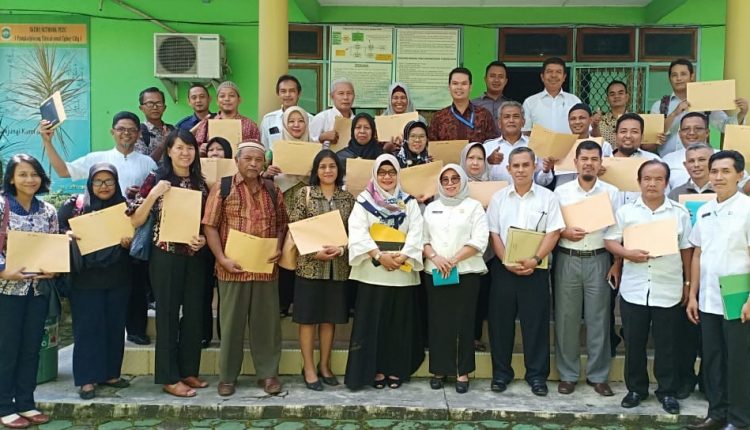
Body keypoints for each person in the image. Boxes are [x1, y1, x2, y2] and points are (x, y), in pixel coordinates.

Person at [39, 112, 157, 346]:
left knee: (135, 284)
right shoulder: (98, 158)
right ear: (112, 131)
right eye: (121, 129)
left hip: (129, 232)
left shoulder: (148, 163)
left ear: (138, 134)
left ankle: (135, 330)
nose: (126, 133)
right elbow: (63, 170)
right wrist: (47, 142)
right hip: (96, 236)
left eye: (131, 130)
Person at [604, 160, 693, 415]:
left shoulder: (679, 213)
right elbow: (610, 240)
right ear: (639, 181)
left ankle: (667, 391)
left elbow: (687, 250)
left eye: (658, 179)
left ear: (666, 182)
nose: (652, 184)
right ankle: (636, 389)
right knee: (634, 343)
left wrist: (687, 283)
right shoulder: (626, 212)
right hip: (634, 289)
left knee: (667, 344)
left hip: (668, 287)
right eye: (647, 179)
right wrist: (627, 253)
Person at [128, 129, 209, 398]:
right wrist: (154, 194)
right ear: (169, 151)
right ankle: (168, 376)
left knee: (194, 313)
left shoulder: (200, 183)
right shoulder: (156, 179)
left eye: (190, 148)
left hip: (194, 256)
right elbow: (136, 219)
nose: (185, 153)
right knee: (168, 314)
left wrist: (202, 240)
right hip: (165, 255)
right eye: (179, 148)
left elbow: (206, 223)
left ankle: (188, 370)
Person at [202, 141, 288, 397]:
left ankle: (268, 374)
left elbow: (282, 225)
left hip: (264, 269)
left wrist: (279, 247)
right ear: (237, 160)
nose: (253, 164)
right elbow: (209, 226)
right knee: (231, 325)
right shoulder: (223, 188)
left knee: (267, 325)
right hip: (232, 269)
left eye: (258, 160)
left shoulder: (272, 190)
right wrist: (221, 258)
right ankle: (227, 377)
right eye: (248, 158)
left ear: (264, 164)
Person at [486, 147, 564, 396]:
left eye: (525, 165)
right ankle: (501, 373)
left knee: (536, 323)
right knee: (500, 324)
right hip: (504, 269)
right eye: (516, 166)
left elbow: (554, 232)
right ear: (508, 169)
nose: (520, 170)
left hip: (536, 268)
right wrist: (505, 261)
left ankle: (537, 376)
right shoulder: (498, 198)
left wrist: (535, 259)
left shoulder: (548, 198)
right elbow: (494, 233)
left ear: (534, 167)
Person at [345, 154, 425, 390]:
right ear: (375, 175)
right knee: (373, 325)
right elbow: (357, 231)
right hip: (372, 272)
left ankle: (395, 368)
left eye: (391, 172)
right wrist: (379, 256)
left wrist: (403, 256)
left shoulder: (409, 202)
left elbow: (417, 231)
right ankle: (375, 369)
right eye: (382, 172)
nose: (387, 177)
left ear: (398, 174)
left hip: (401, 271)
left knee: (397, 325)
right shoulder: (363, 201)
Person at [686, 150, 750, 430]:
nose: (719, 177)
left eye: (726, 171)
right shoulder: (705, 210)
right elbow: (698, 254)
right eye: (715, 171)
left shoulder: (747, 209)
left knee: (738, 359)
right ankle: (717, 413)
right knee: (712, 358)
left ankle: (739, 419)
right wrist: (692, 295)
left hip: (738, 294)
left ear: (740, 175)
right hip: (709, 296)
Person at [57, 164, 132, 400]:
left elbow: (139, 237)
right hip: (85, 280)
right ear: (90, 183)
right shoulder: (75, 206)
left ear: (116, 183)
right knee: (87, 329)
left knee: (114, 326)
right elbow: (55, 230)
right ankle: (87, 379)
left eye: (109, 181)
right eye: (98, 181)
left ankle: (111, 374)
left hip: (118, 277)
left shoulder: (125, 208)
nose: (104, 186)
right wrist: (67, 235)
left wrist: (129, 242)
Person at [553, 140, 619, 397]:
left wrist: (616, 262)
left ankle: (598, 375)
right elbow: (553, 225)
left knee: (599, 318)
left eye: (594, 159)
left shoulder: (611, 192)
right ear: (576, 162)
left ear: (601, 163)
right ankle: (568, 375)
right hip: (568, 257)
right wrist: (564, 232)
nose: (589, 163)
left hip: (599, 258)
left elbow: (617, 230)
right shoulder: (562, 192)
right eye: (584, 159)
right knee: (566, 318)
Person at [288, 150, 355, 391]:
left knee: (329, 320)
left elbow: (355, 232)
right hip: (310, 268)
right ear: (316, 170)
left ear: (339, 170)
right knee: (308, 320)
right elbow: (295, 228)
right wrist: (313, 252)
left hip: (337, 268)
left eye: (332, 166)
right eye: (323, 166)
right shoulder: (305, 194)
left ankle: (324, 365)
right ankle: (308, 368)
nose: (328, 170)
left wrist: (342, 249)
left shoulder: (347, 198)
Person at [0, 154, 57, 429]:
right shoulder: (1, 206)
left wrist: (54, 267)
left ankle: (25, 401)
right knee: (6, 348)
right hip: (6, 291)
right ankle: (4, 405)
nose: (29, 179)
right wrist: (3, 270)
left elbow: (53, 244)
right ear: (11, 178)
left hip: (37, 291)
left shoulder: (48, 210)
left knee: (31, 348)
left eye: (34, 174)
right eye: (22, 174)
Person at [423, 164, 488, 394]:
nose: (450, 184)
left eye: (455, 179)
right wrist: (435, 257)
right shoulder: (431, 208)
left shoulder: (474, 207)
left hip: (465, 273)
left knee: (463, 323)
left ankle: (462, 371)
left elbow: (480, 239)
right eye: (445, 180)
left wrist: (453, 260)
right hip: (436, 272)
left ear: (462, 181)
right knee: (438, 322)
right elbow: (422, 238)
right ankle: (439, 370)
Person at [263, 105, 314, 319]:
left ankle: (301, 303)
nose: (296, 125)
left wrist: (314, 173)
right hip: (282, 202)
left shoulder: (315, 148)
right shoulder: (273, 150)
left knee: (304, 252)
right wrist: (268, 171)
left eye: (300, 121)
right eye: (291, 121)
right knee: (284, 250)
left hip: (307, 204)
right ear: (284, 124)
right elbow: (260, 175)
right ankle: (282, 303)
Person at [649, 58, 747, 157]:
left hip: (699, 160)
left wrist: (742, 113)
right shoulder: (660, 105)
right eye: (674, 75)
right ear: (670, 78)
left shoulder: (704, 102)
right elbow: (651, 137)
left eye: (683, 74)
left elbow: (725, 126)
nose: (678, 78)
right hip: (666, 160)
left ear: (692, 76)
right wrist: (675, 113)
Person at [458, 142, 492, 353]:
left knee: (479, 296)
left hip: (485, 253)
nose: (475, 163)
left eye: (480, 158)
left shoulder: (494, 188)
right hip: (456, 251)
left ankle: (475, 336)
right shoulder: (452, 184)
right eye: (470, 158)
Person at [200, 137, 233, 347]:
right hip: (203, 239)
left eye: (219, 149)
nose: (214, 153)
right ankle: (203, 333)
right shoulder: (197, 175)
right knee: (203, 289)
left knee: (225, 293)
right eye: (211, 149)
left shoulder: (235, 177)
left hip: (228, 240)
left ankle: (224, 335)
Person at [540, 103, 614, 188]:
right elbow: (542, 182)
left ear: (590, 120)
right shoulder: (558, 145)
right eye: (573, 119)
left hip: (594, 193)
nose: (577, 122)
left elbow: (612, 175)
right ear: (568, 122)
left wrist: (602, 170)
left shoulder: (603, 146)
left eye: (582, 118)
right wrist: (548, 169)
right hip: (564, 193)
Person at [483, 101, 550, 186]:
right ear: (499, 123)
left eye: (516, 116)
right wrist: (488, 162)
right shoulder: (487, 147)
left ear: (523, 122)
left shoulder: (535, 146)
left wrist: (546, 170)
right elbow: (477, 178)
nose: (511, 120)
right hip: (497, 194)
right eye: (507, 117)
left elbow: (542, 182)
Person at [428, 67, 498, 143]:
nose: (459, 87)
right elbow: (432, 146)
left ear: (470, 87)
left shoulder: (484, 115)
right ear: (449, 87)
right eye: (455, 83)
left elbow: (492, 145)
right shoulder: (439, 117)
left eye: (464, 84)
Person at [610, 113, 663, 206]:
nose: (628, 136)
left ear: (642, 137)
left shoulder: (653, 161)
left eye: (634, 132)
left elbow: (663, 195)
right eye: (623, 131)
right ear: (615, 135)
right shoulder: (602, 162)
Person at [522, 57, 582, 134]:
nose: (553, 75)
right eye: (549, 71)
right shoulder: (530, 102)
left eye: (558, 72)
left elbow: (584, 129)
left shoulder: (575, 101)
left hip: (570, 142)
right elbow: (525, 131)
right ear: (542, 77)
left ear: (564, 77)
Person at [193, 81, 260, 145]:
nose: (227, 99)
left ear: (239, 100)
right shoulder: (207, 123)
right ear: (217, 101)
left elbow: (258, 150)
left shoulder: (250, 125)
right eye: (222, 96)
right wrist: (202, 148)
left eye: (231, 95)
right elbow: (196, 147)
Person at [260, 75, 313, 150]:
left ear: (299, 93)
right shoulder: (268, 120)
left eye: (292, 91)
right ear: (278, 93)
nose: (287, 95)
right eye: (283, 91)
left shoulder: (310, 119)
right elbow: (264, 148)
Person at [663, 113, 711, 189]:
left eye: (697, 128)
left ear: (707, 132)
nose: (692, 133)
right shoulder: (667, 160)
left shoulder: (720, 157)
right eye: (686, 129)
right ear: (680, 134)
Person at [310, 78, 355, 146]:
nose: (345, 97)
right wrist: (321, 138)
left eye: (349, 93)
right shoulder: (322, 118)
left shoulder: (357, 121)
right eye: (341, 93)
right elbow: (309, 144)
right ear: (332, 96)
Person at [135, 87, 175, 162]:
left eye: (159, 103)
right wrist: (165, 142)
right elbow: (142, 164)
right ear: (141, 108)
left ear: (164, 107)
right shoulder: (137, 133)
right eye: (150, 103)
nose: (155, 107)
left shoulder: (173, 130)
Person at [472, 61, 511, 135]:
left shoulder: (512, 106)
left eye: (500, 77)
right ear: (485, 79)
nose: (496, 80)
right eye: (492, 76)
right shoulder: (472, 105)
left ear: (506, 81)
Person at [382, 83, 427, 148]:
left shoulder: (419, 120)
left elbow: (425, 144)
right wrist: (387, 148)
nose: (399, 101)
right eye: (395, 98)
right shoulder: (382, 121)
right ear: (390, 100)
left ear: (408, 100)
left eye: (403, 98)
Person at [597, 80, 630, 145]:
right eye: (612, 94)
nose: (616, 96)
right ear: (607, 99)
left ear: (627, 97)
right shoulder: (600, 122)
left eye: (620, 93)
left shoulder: (636, 121)